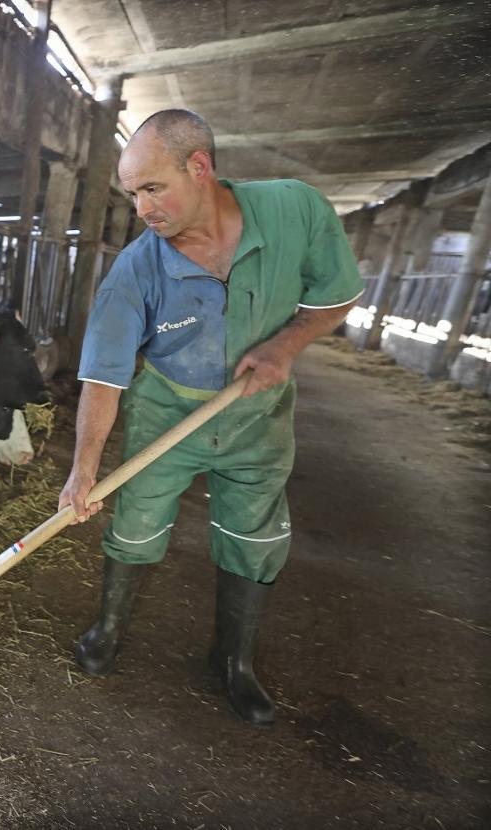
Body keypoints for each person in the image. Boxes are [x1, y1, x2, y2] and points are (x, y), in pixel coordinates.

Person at [58, 109, 363, 725]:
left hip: (258, 416)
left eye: (152, 187)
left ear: (199, 167)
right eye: (132, 193)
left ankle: (233, 661)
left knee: (253, 535)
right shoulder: (136, 269)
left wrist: (285, 346)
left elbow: (338, 296)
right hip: (166, 412)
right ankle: (109, 628)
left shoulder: (294, 210)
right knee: (136, 521)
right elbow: (103, 375)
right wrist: (83, 470)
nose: (142, 208)